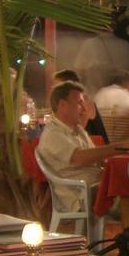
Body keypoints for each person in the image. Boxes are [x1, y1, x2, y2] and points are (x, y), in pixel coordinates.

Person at [38, 81, 117, 212]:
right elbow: (79, 157)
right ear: (63, 105)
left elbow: (98, 159)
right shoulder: (53, 133)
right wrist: (120, 147)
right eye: (79, 103)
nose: (84, 108)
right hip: (81, 195)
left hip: (98, 188)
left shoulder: (77, 130)